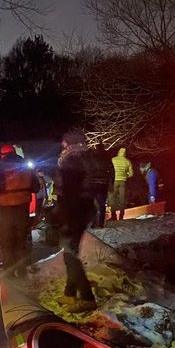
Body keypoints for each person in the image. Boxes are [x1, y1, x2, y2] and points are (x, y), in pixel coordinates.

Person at [54, 130, 97, 312]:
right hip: (84, 209)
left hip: (74, 211)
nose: (62, 146)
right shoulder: (86, 158)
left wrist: (65, 219)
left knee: (70, 255)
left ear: (70, 144)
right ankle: (69, 294)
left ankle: (87, 298)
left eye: (64, 143)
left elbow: (71, 193)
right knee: (69, 253)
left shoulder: (71, 161)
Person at [0, 143, 37, 276]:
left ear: (3, 154)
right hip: (22, 209)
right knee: (20, 241)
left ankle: (10, 272)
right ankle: (22, 270)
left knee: (6, 242)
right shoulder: (25, 168)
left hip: (4, 211)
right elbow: (36, 187)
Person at [85, 142, 114, 228]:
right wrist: (111, 182)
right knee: (102, 204)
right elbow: (112, 170)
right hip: (103, 183)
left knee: (92, 203)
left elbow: (88, 169)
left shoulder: (92, 157)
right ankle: (101, 223)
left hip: (93, 183)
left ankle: (93, 223)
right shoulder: (107, 158)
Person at [110, 147, 134, 221]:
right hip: (123, 182)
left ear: (118, 152)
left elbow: (109, 170)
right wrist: (125, 175)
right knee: (122, 200)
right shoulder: (127, 161)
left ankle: (113, 216)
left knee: (112, 199)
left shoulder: (113, 160)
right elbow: (131, 174)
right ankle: (121, 217)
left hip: (114, 182)